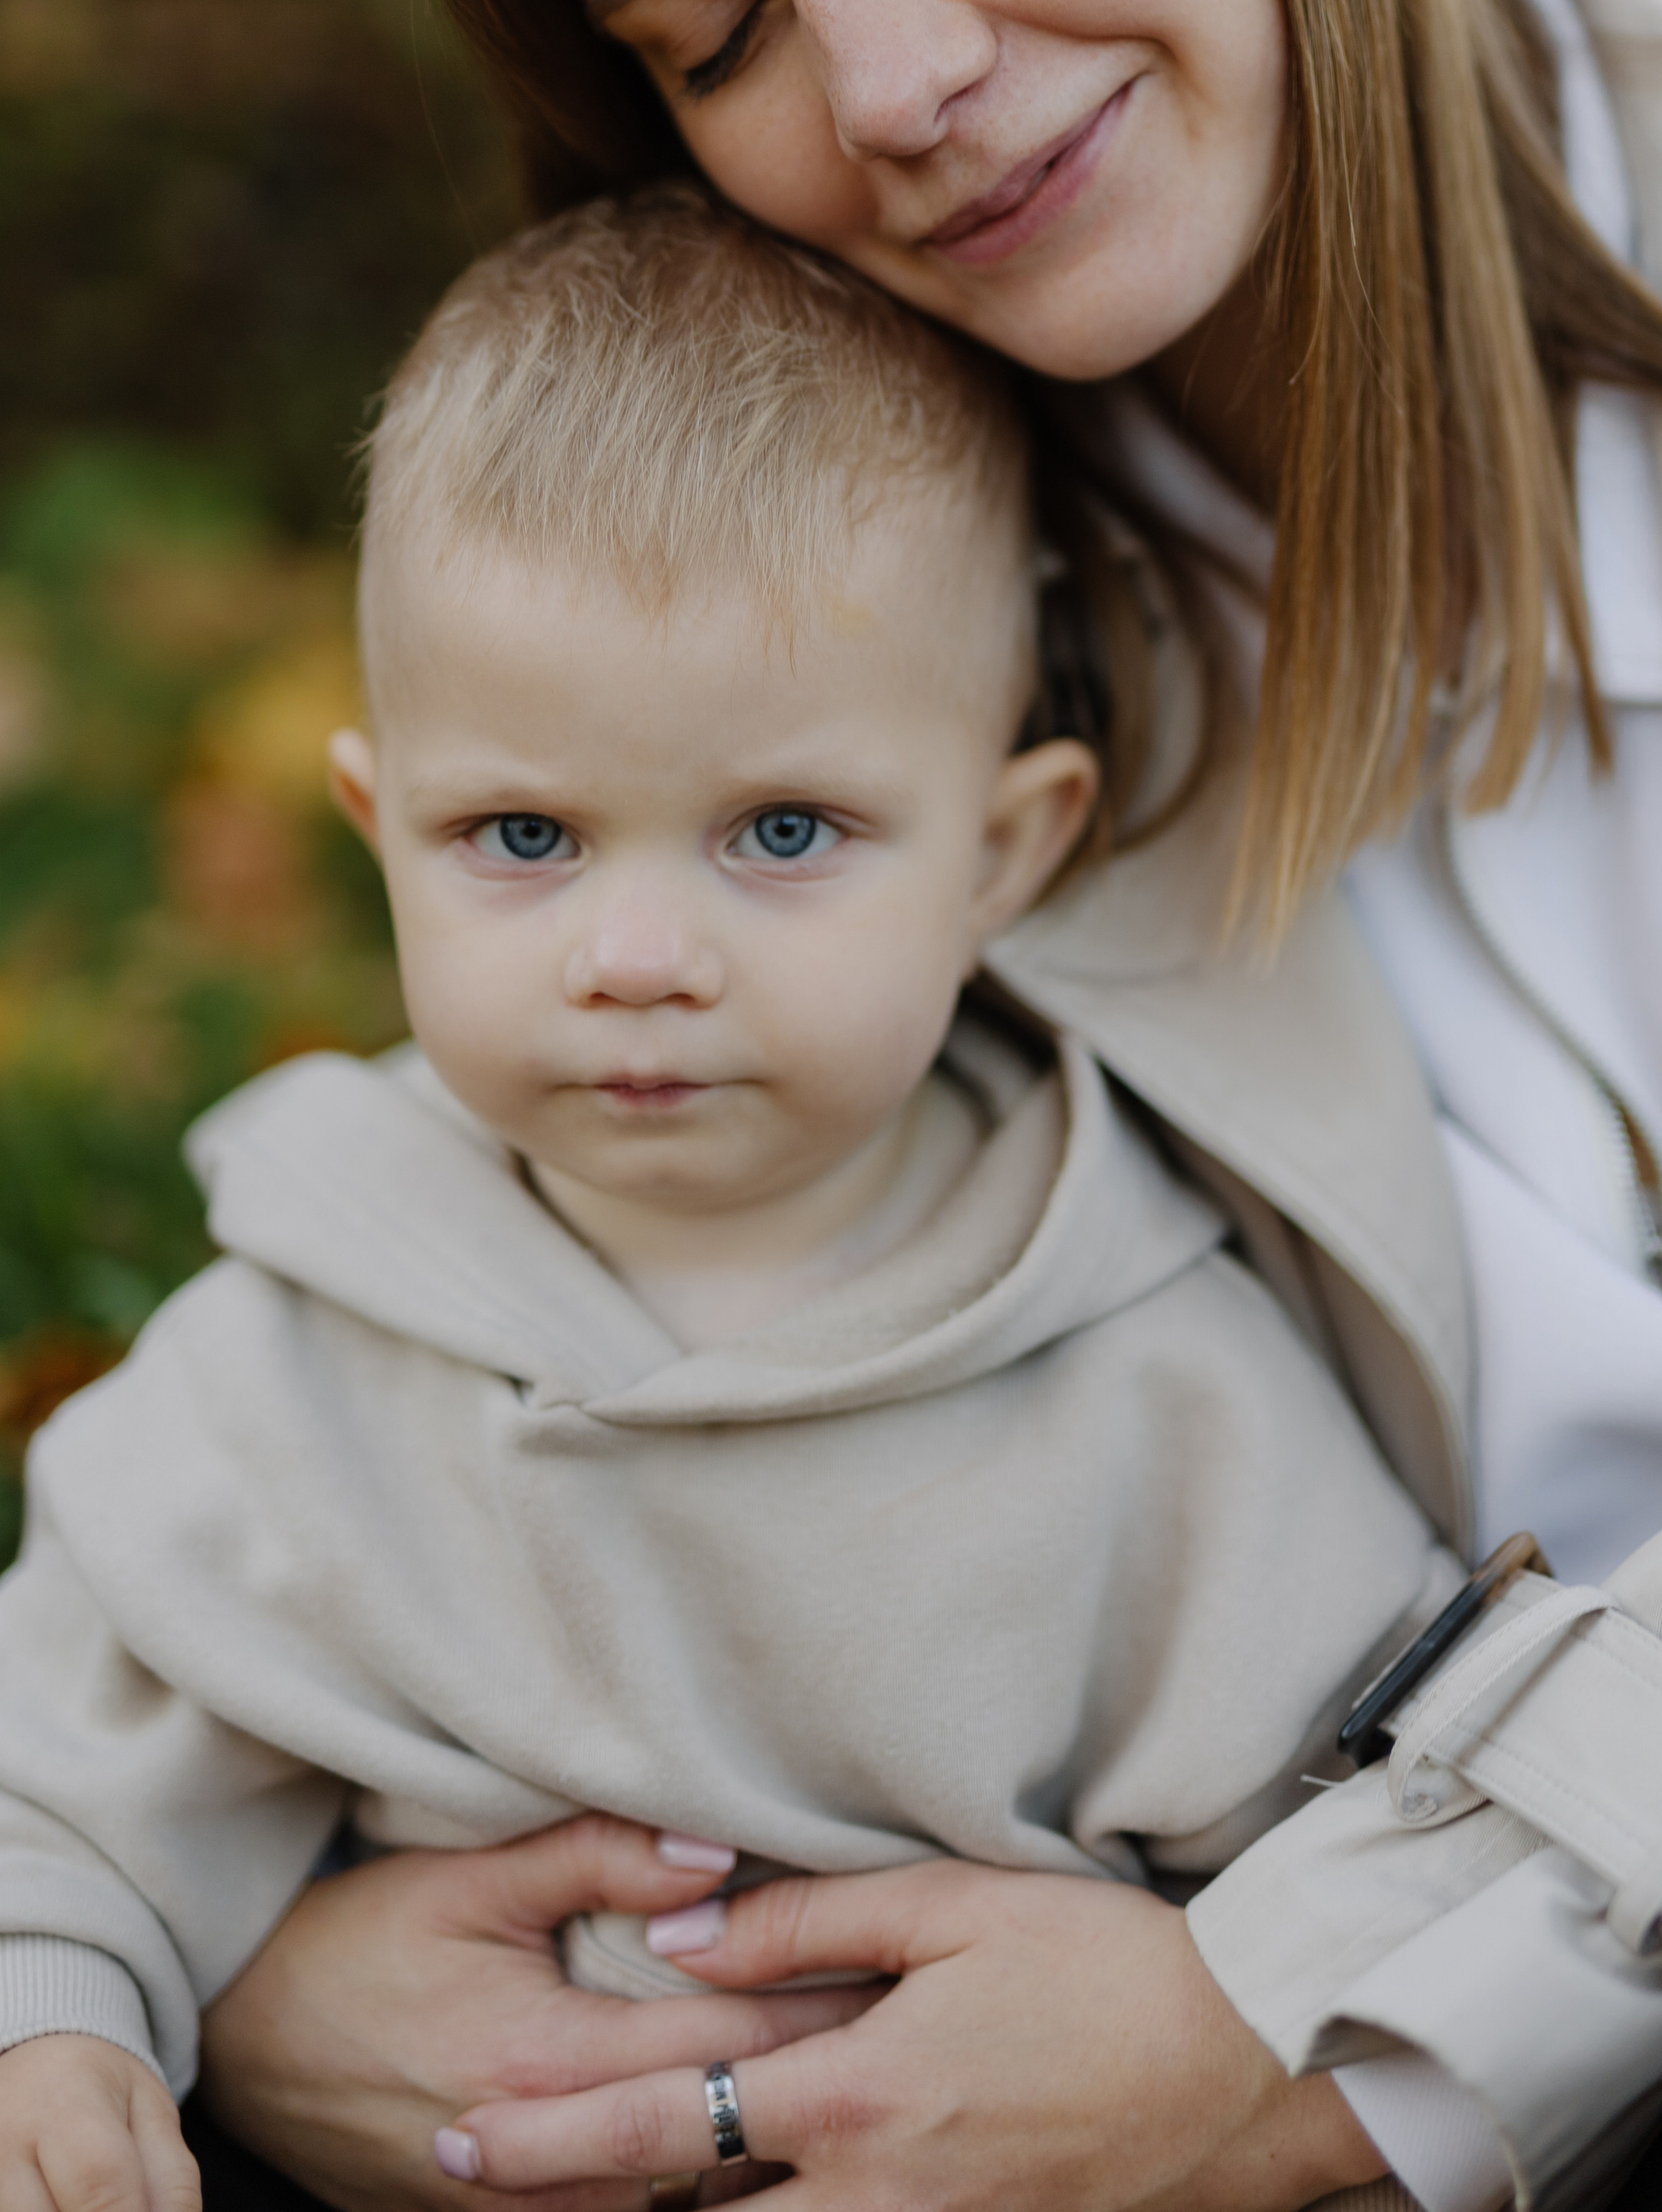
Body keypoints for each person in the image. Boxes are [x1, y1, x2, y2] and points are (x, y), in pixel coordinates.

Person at [107, 0, 1662, 2207]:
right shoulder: (885, 725)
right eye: (707, 31)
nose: (897, 84)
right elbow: (595, 1414)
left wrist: (1338, 2028)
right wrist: (271, 1963)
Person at [0, 188, 1451, 2212]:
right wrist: (56, 2022)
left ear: (1004, 853)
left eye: (784, 830)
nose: (637, 950)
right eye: (522, 833)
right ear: (377, 830)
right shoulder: (298, 1348)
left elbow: (1386, 1873)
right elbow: (60, 1780)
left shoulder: (1153, 1376)